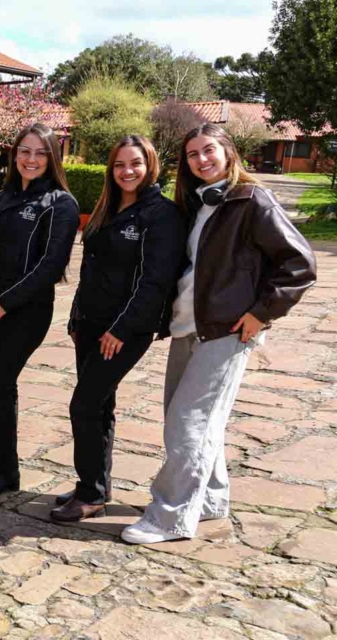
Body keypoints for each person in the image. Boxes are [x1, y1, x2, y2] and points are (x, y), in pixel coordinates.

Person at [121, 124, 316, 544]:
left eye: (209, 150)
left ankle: (169, 517)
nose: (201, 160)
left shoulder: (252, 200)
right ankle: (210, 499)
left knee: (187, 424)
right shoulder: (199, 204)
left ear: (228, 151)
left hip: (225, 333)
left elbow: (299, 265)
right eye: (192, 154)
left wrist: (261, 314)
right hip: (188, 326)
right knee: (193, 420)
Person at [54, 136, 184, 522]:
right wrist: (76, 317)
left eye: (135, 163)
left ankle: (90, 494)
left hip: (124, 330)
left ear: (150, 165)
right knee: (100, 405)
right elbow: (89, 269)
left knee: (84, 404)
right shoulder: (108, 207)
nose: (127, 171)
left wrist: (122, 329)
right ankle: (95, 485)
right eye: (119, 164)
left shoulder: (162, 215)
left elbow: (154, 282)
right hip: (90, 324)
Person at [0, 122, 79, 496]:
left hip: (26, 312)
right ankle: (1, 469)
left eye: (40, 153)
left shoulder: (61, 204)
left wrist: (5, 302)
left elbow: (50, 266)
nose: (31, 159)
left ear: (52, 158)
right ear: (15, 155)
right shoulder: (1, 196)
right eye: (25, 151)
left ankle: (4, 469)